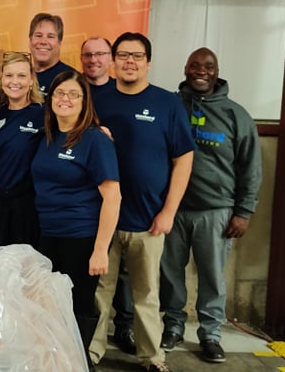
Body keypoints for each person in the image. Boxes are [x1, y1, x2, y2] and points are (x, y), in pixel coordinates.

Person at [88, 33, 195, 372]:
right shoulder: (97, 102)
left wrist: (168, 212)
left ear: (148, 62)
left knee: (147, 295)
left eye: (136, 56)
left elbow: (184, 159)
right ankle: (90, 351)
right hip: (103, 218)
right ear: (113, 61)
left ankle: (151, 357)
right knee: (99, 292)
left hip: (149, 221)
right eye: (122, 55)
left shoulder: (167, 104)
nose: (129, 61)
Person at [159, 48, 262, 363]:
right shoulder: (170, 107)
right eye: (195, 65)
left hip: (216, 211)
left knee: (212, 277)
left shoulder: (236, 115)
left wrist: (244, 211)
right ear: (186, 69)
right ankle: (173, 326)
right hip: (171, 209)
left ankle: (210, 335)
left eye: (208, 66)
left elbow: (250, 167)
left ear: (217, 72)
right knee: (169, 273)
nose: (201, 71)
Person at [31, 70, 121, 371]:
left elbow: (113, 197)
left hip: (80, 238)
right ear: (50, 99)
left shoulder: (95, 140)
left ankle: (80, 364)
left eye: (73, 94)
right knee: (51, 307)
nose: (65, 99)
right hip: (49, 235)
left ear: (85, 102)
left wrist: (100, 250)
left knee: (77, 308)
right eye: (59, 93)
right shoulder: (48, 136)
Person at [82, 36, 137, 355]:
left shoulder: (121, 91)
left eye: (100, 54)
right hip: (85, 200)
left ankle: (125, 326)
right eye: (87, 55)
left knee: (126, 274)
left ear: (111, 59)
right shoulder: (76, 89)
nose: (94, 60)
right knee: (97, 279)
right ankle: (92, 343)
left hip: (123, 193)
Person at [0, 51, 44, 248]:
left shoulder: (44, 115)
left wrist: (99, 129)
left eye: (21, 75)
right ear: (1, 78)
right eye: (9, 75)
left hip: (25, 207)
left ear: (32, 80)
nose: (14, 81)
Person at [28, 13, 74, 93]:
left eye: (50, 36)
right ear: (30, 40)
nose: (43, 41)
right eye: (38, 36)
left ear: (59, 42)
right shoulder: (20, 76)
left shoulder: (70, 78)